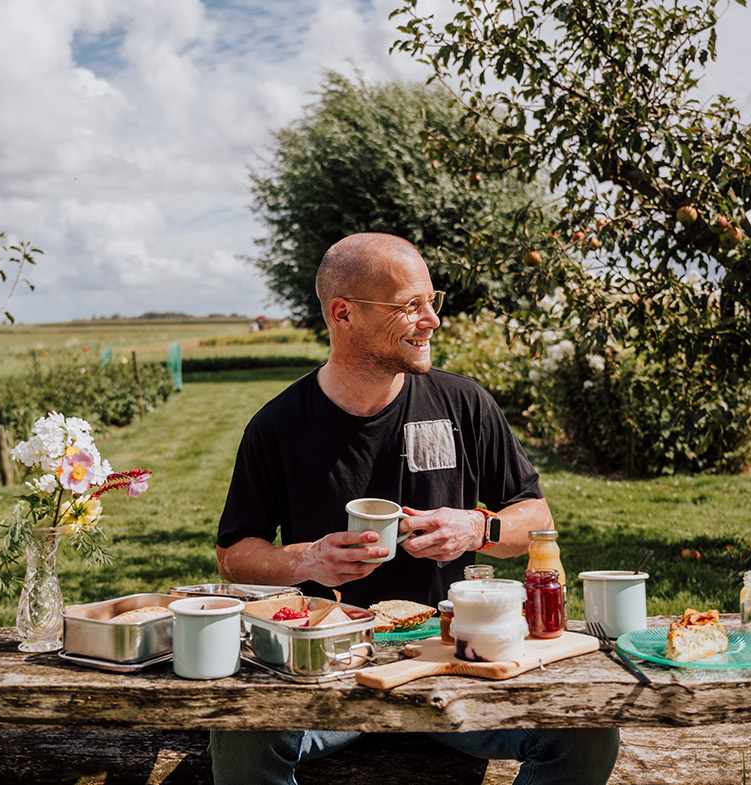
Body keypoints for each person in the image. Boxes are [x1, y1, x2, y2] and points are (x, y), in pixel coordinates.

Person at [211, 233, 620, 785]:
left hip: (454, 656)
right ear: (343, 314)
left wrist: (478, 526)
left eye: (433, 301)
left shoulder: (464, 403)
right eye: (410, 305)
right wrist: (306, 561)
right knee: (238, 731)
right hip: (327, 664)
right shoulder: (277, 426)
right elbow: (235, 555)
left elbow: (537, 522)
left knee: (588, 731)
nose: (432, 320)